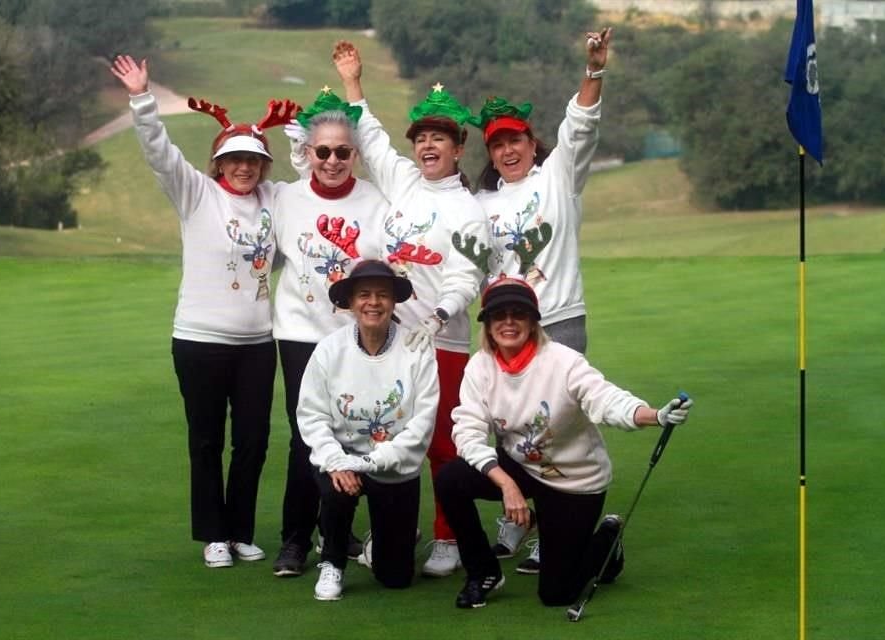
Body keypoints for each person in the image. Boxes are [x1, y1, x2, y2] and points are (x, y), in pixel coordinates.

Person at [110, 55, 295, 567]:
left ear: (263, 165)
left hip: (257, 344)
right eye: (235, 159)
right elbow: (160, 154)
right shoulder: (195, 194)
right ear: (218, 163)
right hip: (198, 341)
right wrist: (143, 99)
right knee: (207, 440)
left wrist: (305, 128)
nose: (243, 167)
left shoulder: (275, 201)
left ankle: (239, 531)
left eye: (253, 160)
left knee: (253, 442)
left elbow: (313, 189)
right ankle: (213, 534)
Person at [434, 277, 693, 609]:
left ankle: (608, 540)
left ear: (533, 321)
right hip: (523, 464)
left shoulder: (563, 361)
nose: (509, 322)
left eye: (519, 314)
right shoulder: (480, 367)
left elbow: (605, 399)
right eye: (499, 315)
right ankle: (483, 572)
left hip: (574, 479)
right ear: (488, 323)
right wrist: (506, 484)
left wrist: (654, 415)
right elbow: (467, 432)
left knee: (557, 594)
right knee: (450, 479)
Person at [333, 40, 491, 577]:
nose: (427, 146)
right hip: (388, 339)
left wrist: (439, 316)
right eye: (422, 138)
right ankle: (395, 525)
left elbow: (466, 275)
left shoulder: (466, 209)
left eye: (438, 139)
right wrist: (353, 81)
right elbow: (370, 137)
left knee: (441, 443)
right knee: (386, 434)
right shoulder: (402, 180)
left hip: (438, 340)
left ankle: (449, 537)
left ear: (457, 148)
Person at [470, 27, 613, 573]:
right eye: (498, 144)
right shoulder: (479, 202)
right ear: (491, 151)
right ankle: (516, 512)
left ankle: (553, 526)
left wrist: (594, 70)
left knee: (559, 423)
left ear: (532, 144)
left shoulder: (558, 178)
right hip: (504, 325)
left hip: (559, 317)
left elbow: (580, 125)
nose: (508, 150)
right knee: (508, 422)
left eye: (516, 140)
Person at [271, 89, 389, 577]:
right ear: (308, 154)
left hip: (354, 337)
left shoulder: (376, 201)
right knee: (306, 437)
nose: (333, 160)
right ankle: (296, 539)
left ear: (355, 154)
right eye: (323, 151)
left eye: (343, 151)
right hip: (300, 334)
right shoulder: (284, 197)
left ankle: (338, 530)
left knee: (354, 432)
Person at [297, 259, 439, 601]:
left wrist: (371, 463)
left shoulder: (416, 349)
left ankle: (382, 541)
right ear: (350, 302)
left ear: (394, 302)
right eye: (364, 295)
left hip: (393, 467)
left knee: (396, 578)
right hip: (344, 461)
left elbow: (422, 423)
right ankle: (332, 560)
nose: (373, 302)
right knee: (334, 489)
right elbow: (311, 415)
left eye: (382, 295)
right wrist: (337, 461)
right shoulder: (329, 350)